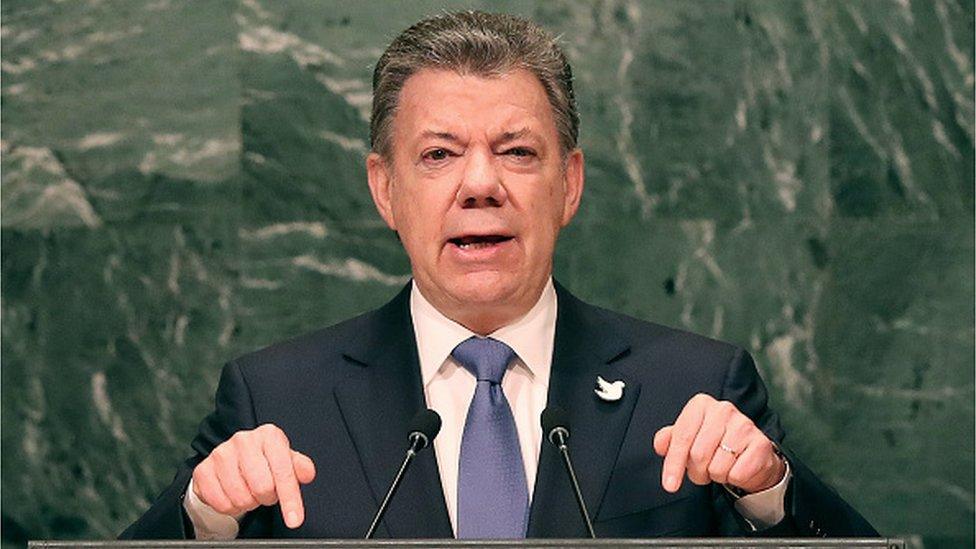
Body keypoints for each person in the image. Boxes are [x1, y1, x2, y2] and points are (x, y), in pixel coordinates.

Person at [121, 11, 877, 540]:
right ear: (385, 188)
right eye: (439, 154)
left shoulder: (696, 386)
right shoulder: (276, 400)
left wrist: (770, 494)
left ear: (570, 184)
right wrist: (204, 517)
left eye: (517, 151)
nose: (480, 184)